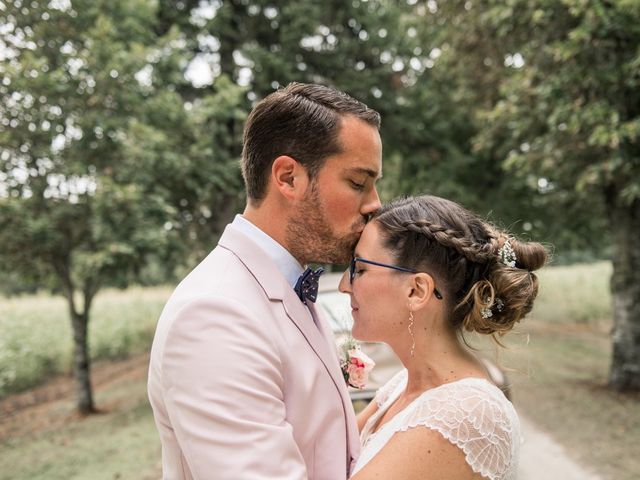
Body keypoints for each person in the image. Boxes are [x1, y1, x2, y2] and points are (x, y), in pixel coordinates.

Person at [147, 82, 383, 479]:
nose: (375, 203)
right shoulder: (213, 315)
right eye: (358, 183)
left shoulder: (289, 284)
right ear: (288, 178)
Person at [339, 195, 548, 480]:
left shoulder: (465, 413)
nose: (343, 286)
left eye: (359, 270)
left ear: (417, 291)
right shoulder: (401, 386)